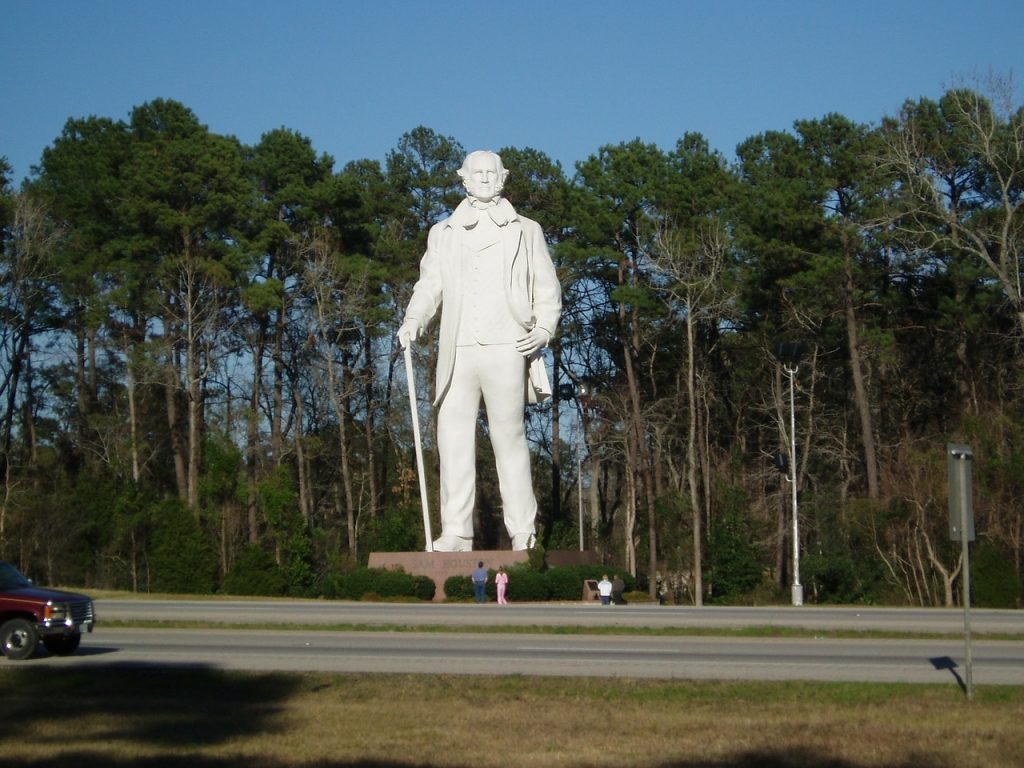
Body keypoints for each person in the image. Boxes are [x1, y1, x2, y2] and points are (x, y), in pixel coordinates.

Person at [398, 150, 561, 552]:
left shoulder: (527, 230)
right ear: (464, 179)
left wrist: (543, 328)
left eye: (492, 173)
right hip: (458, 348)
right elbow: (429, 284)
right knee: (452, 438)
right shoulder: (444, 233)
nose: (485, 179)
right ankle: (456, 531)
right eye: (478, 173)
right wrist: (413, 319)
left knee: (509, 436)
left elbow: (546, 286)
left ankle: (523, 531)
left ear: (502, 178)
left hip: (507, 344)